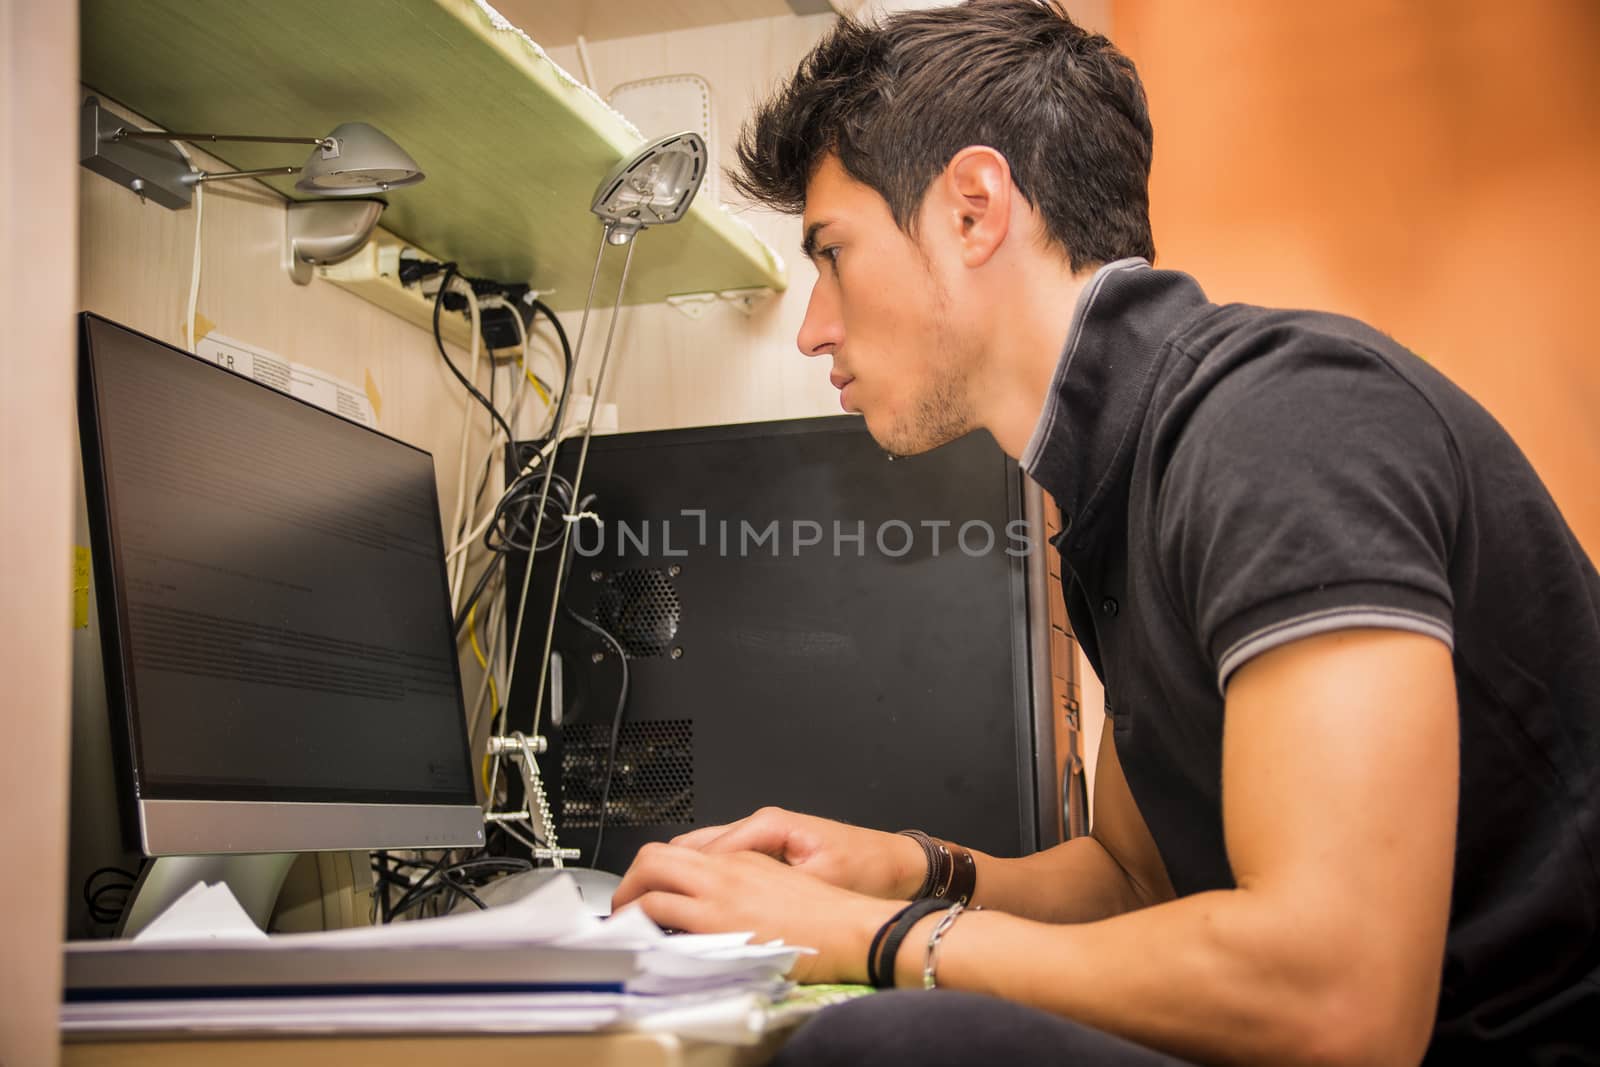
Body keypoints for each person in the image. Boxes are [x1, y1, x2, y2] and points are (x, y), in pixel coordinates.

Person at [610, 3, 1600, 1063]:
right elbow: (1134, 880)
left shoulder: (1273, 424)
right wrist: (909, 868)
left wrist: (875, 937)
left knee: (887, 1043)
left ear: (973, 210)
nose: (814, 325)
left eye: (833, 253)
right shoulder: (1124, 484)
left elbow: (1339, 1000)